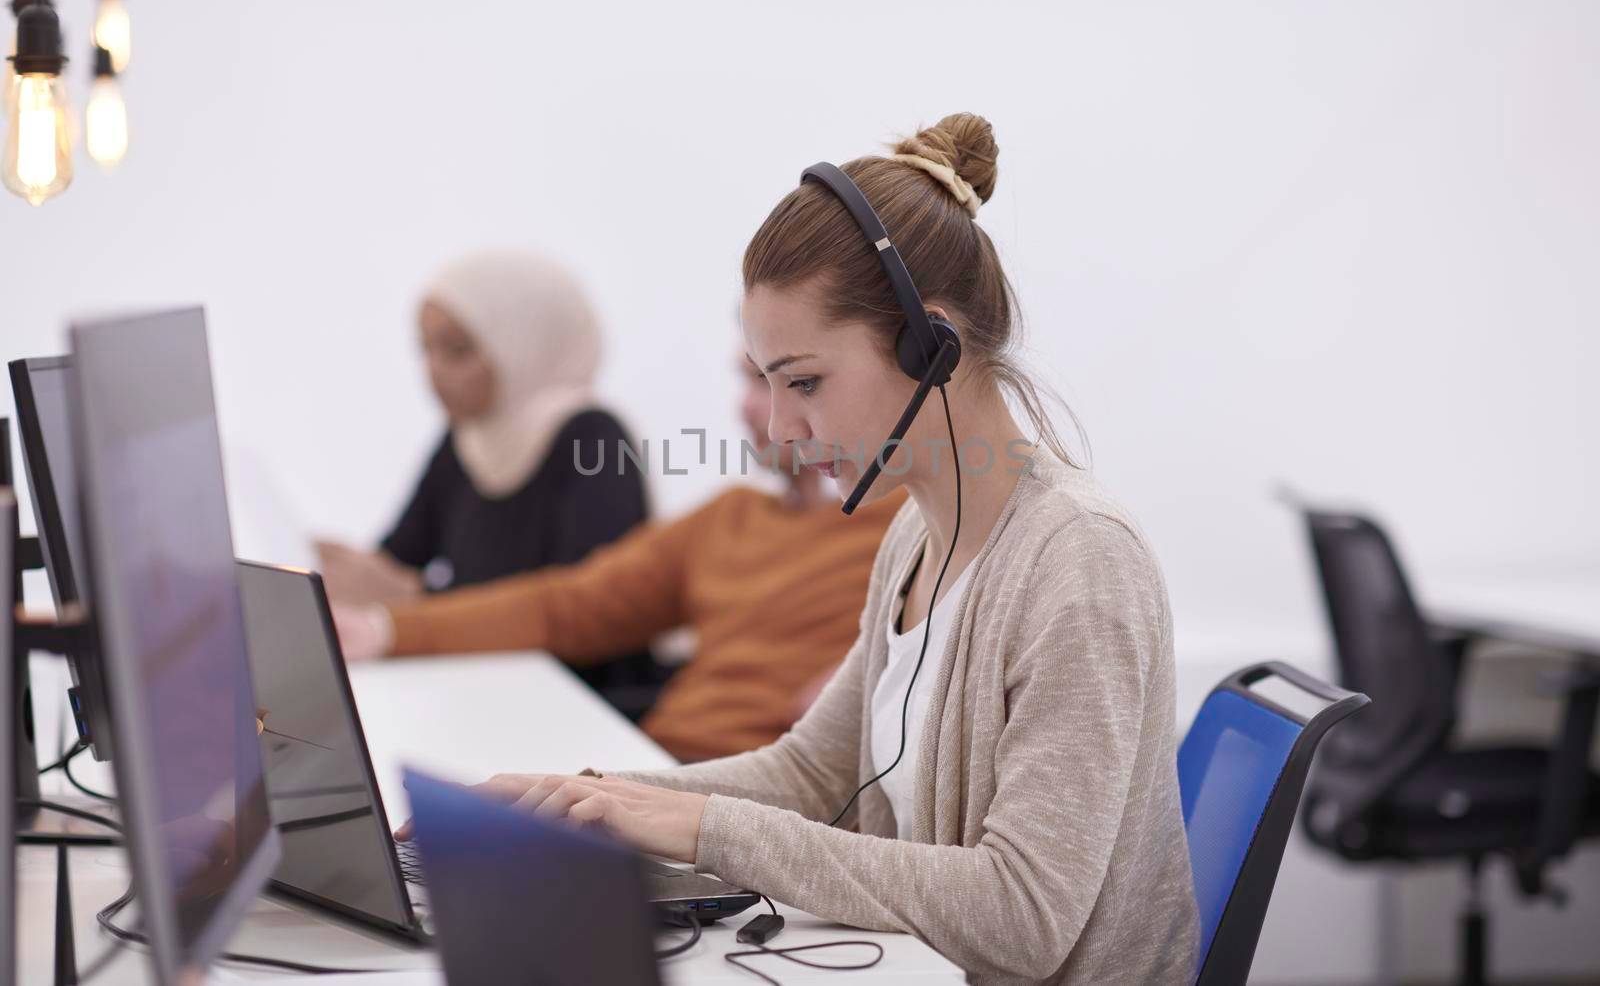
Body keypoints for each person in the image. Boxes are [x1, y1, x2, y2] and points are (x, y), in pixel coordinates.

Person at [442, 115, 1201, 984]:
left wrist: (704, 829)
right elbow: (813, 769)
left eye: (803, 382)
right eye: (769, 385)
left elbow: (1024, 914)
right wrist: (586, 800)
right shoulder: (917, 532)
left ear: (933, 346)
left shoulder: (1080, 562)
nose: (780, 427)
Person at [333, 348, 907, 760]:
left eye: (788, 383)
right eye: (752, 382)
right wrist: (383, 631)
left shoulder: (916, 528)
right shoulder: (731, 518)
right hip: (651, 768)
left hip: (762, 803)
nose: (756, 411)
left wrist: (878, 675)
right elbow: (568, 605)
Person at [316, 250, 657, 711]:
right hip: (477, 690)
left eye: (457, 351)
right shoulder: (465, 440)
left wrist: (416, 600)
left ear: (522, 344)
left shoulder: (595, 440)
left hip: (578, 707)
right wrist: (343, 572)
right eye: (424, 348)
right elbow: (399, 560)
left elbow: (585, 612)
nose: (433, 371)